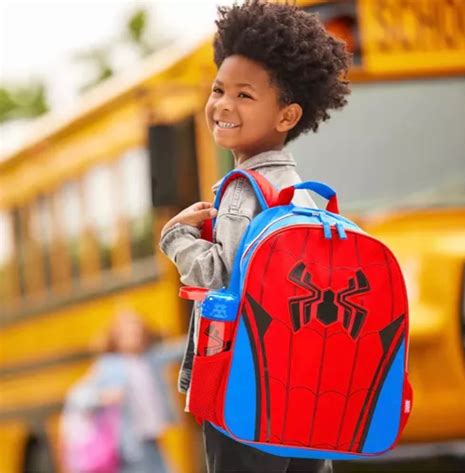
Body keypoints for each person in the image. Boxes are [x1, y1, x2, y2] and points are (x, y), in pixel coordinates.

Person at [159, 1, 351, 471]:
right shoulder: (308, 196)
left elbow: (222, 278)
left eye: (244, 96)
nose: (223, 105)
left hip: (241, 382)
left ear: (287, 116)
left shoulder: (243, 192)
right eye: (218, 89)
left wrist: (175, 237)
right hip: (304, 385)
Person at [62, 310, 186, 473]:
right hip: (127, 444)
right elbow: (77, 396)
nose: (134, 338)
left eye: (138, 333)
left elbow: (182, 348)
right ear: (116, 339)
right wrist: (101, 397)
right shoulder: (109, 366)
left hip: (151, 437)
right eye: (127, 335)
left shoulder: (150, 358)